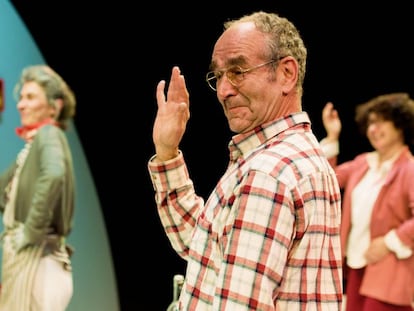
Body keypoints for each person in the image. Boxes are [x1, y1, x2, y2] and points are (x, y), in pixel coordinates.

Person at [148, 11, 343, 310]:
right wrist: (167, 152)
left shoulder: (268, 173)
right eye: (218, 76)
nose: (224, 90)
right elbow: (207, 246)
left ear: (286, 74)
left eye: (238, 71)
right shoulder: (299, 156)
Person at [321, 93, 414, 311]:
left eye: (381, 122)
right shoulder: (364, 163)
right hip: (356, 265)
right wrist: (333, 137)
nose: (374, 128)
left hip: (390, 269)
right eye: (371, 122)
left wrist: (389, 241)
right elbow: (324, 180)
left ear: (400, 125)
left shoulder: (409, 169)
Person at [0, 65, 76, 311]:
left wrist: (29, 233)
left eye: (30, 97)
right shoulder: (33, 146)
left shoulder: (48, 134)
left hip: (38, 259)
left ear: (55, 107)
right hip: (31, 258)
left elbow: (54, 175)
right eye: (21, 97)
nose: (21, 105)